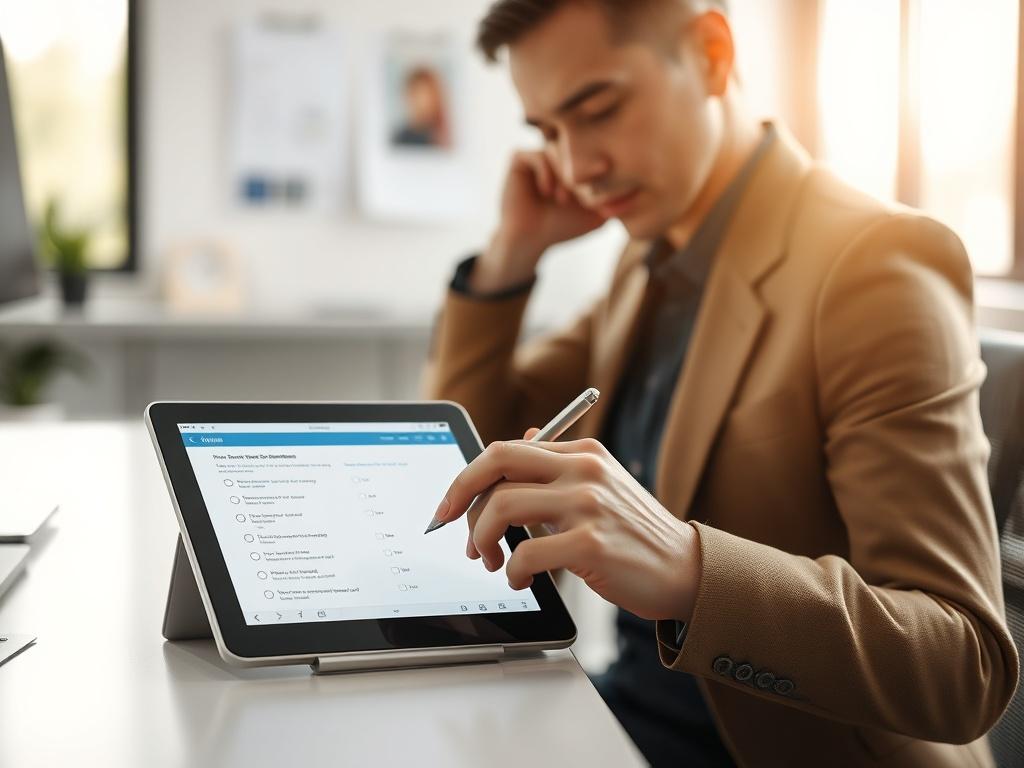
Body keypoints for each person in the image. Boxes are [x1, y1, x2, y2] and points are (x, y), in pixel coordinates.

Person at [423, 1, 1020, 765]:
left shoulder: (875, 262)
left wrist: (687, 567)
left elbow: (962, 662)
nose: (576, 167)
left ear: (710, 52)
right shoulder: (647, 263)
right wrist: (512, 256)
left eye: (597, 110)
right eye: (547, 133)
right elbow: (468, 450)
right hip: (628, 714)